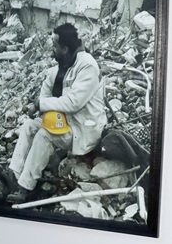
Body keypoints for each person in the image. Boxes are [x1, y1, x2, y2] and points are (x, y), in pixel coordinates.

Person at [7, 22, 107, 203]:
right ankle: (14, 175)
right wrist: (41, 104)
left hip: (83, 127)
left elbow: (73, 103)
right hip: (64, 121)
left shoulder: (87, 66)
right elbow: (45, 94)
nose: (51, 49)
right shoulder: (58, 69)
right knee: (29, 126)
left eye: (55, 45)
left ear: (65, 49)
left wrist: (41, 105)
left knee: (45, 135)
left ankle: (25, 188)